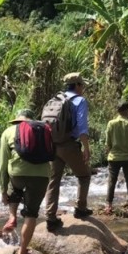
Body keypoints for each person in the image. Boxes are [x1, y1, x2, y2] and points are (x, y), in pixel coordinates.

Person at [0, 108, 52, 254]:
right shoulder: (43, 130)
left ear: (17, 120)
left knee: (13, 186)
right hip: (41, 175)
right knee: (31, 214)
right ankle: (22, 253)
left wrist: (2, 192)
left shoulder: (8, 132)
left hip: (17, 174)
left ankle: (12, 216)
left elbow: (2, 166)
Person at [44, 72, 92, 231]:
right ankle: (80, 209)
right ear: (77, 85)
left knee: (54, 180)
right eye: (82, 85)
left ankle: (50, 217)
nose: (83, 88)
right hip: (68, 145)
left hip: (52, 145)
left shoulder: (55, 99)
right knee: (84, 176)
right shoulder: (80, 101)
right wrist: (86, 148)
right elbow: (82, 127)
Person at [103, 100, 128, 214]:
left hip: (113, 157)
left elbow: (107, 143)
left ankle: (109, 206)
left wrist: (108, 153)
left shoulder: (111, 123)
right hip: (127, 157)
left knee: (111, 181)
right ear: (126, 110)